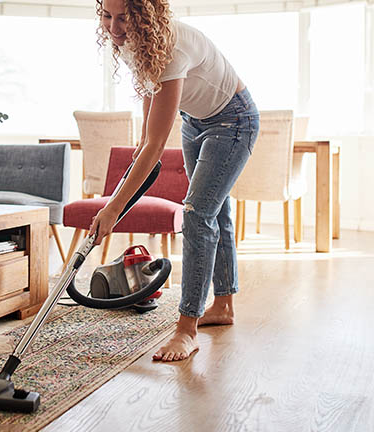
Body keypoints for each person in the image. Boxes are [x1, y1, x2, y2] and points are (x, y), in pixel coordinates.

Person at [89, 0, 260, 362]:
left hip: (233, 121)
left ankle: (186, 330)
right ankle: (224, 305)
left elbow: (156, 144)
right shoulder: (137, 41)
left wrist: (112, 209)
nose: (114, 28)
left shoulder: (171, 45)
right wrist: (141, 146)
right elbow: (151, 101)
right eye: (107, 16)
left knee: (198, 216)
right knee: (218, 213)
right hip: (194, 121)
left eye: (124, 18)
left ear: (144, 15)